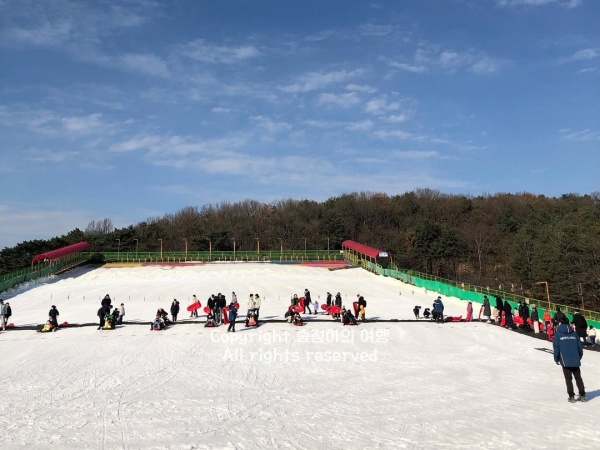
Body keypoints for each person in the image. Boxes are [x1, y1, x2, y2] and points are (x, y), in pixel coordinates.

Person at [553, 316, 586, 402]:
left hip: (565, 360)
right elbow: (579, 347)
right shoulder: (574, 334)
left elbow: (556, 348)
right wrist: (579, 357)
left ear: (560, 323)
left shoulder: (558, 334)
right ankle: (582, 395)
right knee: (578, 378)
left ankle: (571, 396)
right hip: (575, 359)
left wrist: (556, 358)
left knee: (568, 379)